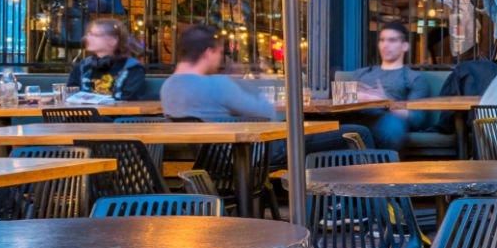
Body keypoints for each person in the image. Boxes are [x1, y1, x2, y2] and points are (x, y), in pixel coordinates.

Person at [160, 23, 358, 149]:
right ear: (208, 52)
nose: (221, 58)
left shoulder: (167, 87)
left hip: (206, 161)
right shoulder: (217, 85)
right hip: (251, 153)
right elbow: (269, 114)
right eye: (220, 52)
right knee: (357, 132)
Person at [355, 22, 433, 151]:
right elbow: (340, 99)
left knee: (392, 127)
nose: (385, 45)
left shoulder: (413, 78)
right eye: (382, 40)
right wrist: (358, 97)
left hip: (387, 119)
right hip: (356, 117)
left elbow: (417, 119)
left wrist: (386, 102)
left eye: (392, 40)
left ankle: (380, 168)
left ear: (405, 46)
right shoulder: (362, 73)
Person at [67, 17, 148, 100]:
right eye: (88, 34)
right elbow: (70, 94)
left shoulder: (132, 68)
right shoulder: (82, 66)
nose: (87, 38)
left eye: (95, 35)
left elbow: (128, 101)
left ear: (113, 41)